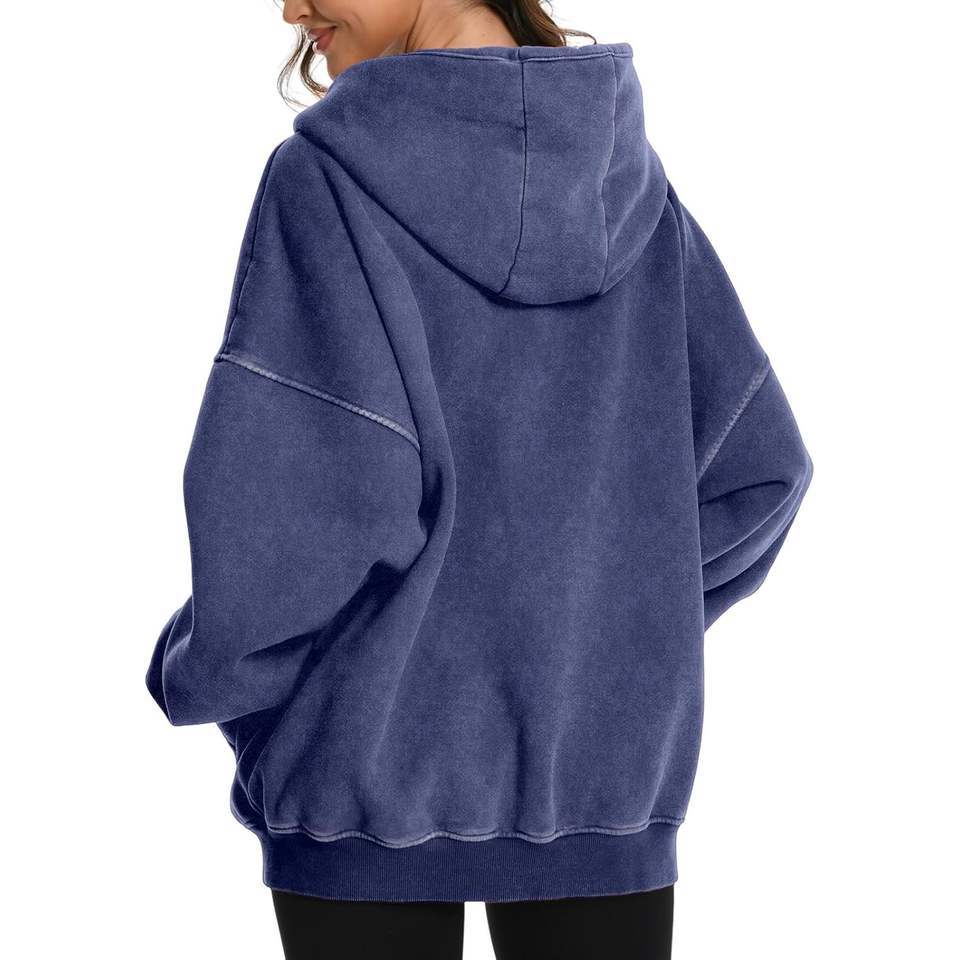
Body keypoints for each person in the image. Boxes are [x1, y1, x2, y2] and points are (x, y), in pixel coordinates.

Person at [145, 0, 814, 956]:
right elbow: (756, 469)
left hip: (358, 791)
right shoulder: (623, 180)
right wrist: (601, 624)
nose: (290, 7)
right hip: (605, 783)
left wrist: (200, 671)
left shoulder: (327, 180)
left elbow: (300, 516)